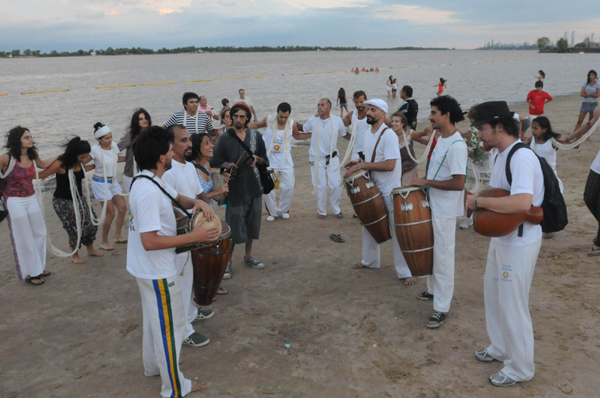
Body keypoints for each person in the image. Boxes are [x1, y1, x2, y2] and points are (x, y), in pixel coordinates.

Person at [127, 125, 219, 397]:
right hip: (156, 270)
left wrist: (198, 203)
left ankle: (153, 366)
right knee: (171, 327)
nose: (173, 153)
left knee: (154, 321)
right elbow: (150, 241)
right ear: (160, 157)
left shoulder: (148, 178)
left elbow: (176, 197)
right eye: (169, 149)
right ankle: (175, 388)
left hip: (145, 267)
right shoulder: (148, 192)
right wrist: (195, 236)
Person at [466, 101, 544, 387]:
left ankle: (521, 368)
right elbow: (501, 193)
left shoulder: (521, 157)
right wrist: (478, 199)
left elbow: (522, 202)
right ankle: (500, 348)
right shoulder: (500, 154)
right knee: (494, 295)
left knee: (513, 305)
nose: (479, 135)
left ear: (499, 127)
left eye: (482, 129)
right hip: (503, 238)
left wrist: (479, 201)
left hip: (520, 241)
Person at [345, 100, 415, 286]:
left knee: (398, 229)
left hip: (390, 189)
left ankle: (406, 271)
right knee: (368, 223)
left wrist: (364, 165)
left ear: (383, 114)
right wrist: (358, 163)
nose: (368, 112)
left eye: (373, 110)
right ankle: (371, 261)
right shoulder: (367, 133)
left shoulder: (389, 136)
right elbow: (370, 159)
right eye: (368, 109)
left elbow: (390, 164)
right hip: (373, 186)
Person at [412, 96, 468, 329]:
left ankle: (442, 307)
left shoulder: (457, 145)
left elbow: (458, 184)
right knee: (431, 249)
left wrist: (426, 182)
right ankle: (433, 290)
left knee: (443, 257)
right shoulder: (440, 138)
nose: (430, 116)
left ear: (446, 115)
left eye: (434, 112)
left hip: (445, 209)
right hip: (433, 202)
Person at [162, 125, 217, 348]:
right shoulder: (168, 170)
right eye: (183, 141)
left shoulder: (188, 167)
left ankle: (191, 312)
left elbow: (198, 195)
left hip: (194, 230)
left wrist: (208, 205)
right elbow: (169, 206)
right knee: (181, 281)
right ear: (171, 145)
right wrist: (190, 224)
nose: (189, 144)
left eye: (189, 140)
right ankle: (184, 331)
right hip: (181, 233)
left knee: (189, 277)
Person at [210, 103, 270, 273]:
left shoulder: (255, 136)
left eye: (242, 117)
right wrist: (225, 164)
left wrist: (258, 159)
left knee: (253, 224)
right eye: (235, 116)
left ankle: (248, 256)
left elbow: (266, 160)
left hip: (255, 186)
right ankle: (227, 263)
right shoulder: (224, 138)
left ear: (247, 118)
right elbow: (213, 161)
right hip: (234, 189)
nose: (238, 119)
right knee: (233, 227)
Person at [1, 126, 56, 285]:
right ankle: (31, 273)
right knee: (23, 237)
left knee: (39, 232)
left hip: (31, 197)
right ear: (17, 139)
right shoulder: (7, 158)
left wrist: (60, 157)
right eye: (27, 137)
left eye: (31, 137)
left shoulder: (33, 155)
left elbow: (43, 165)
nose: (31, 139)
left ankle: (38, 266)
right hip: (14, 200)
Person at [39, 137, 102, 264]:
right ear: (75, 154)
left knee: (91, 224)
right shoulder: (61, 163)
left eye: (86, 157)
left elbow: (83, 170)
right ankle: (75, 255)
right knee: (73, 227)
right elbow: (42, 175)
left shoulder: (79, 162)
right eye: (82, 157)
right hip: (62, 201)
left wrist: (99, 165)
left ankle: (90, 250)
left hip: (78, 198)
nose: (85, 160)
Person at [188, 133, 231, 287]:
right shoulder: (191, 169)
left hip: (210, 212)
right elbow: (193, 199)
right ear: (197, 148)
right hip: (199, 216)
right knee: (202, 254)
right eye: (207, 143)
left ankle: (212, 284)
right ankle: (203, 287)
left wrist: (221, 180)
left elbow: (213, 187)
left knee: (212, 250)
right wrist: (217, 192)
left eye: (211, 142)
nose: (212, 145)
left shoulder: (207, 165)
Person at [248, 102, 300, 221]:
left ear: (289, 115)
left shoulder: (292, 124)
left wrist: (314, 134)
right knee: (269, 189)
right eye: (281, 116)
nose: (283, 119)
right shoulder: (269, 120)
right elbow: (256, 125)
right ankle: (272, 212)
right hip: (269, 160)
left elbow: (298, 135)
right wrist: (240, 127)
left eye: (285, 117)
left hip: (285, 161)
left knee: (289, 186)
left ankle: (283, 209)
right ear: (277, 113)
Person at [300, 98, 350, 219]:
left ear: (329, 108)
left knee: (337, 185)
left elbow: (344, 134)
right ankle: (322, 211)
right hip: (317, 158)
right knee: (321, 186)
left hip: (333, 158)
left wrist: (358, 140)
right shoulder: (313, 120)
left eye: (322, 105)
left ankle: (336, 208)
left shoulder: (337, 120)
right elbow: (304, 129)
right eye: (318, 105)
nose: (319, 107)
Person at [561, 106, 600, 255]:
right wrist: (570, 138)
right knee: (589, 198)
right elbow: (589, 125)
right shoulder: (599, 110)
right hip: (598, 164)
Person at [89, 122, 128, 250]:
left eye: (111, 137)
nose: (110, 140)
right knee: (110, 213)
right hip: (100, 183)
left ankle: (117, 236)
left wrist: (132, 157)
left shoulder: (114, 146)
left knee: (122, 208)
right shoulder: (94, 150)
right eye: (106, 138)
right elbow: (84, 162)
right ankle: (104, 241)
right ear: (98, 139)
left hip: (112, 181)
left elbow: (117, 159)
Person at [118, 108, 151, 193]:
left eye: (145, 118)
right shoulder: (131, 136)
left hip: (148, 174)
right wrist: (124, 158)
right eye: (141, 119)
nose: (144, 120)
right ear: (136, 121)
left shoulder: (151, 134)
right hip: (131, 175)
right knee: (134, 203)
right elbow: (115, 149)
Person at [390, 112, 419, 186]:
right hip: (396, 169)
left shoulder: (409, 134)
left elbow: (425, 141)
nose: (393, 123)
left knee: (405, 187)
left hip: (410, 167)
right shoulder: (388, 135)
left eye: (396, 121)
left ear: (402, 123)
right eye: (392, 121)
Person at [342, 90, 369, 162]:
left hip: (371, 151)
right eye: (356, 102)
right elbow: (339, 126)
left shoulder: (373, 113)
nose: (359, 104)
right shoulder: (351, 115)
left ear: (366, 101)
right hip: (356, 151)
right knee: (355, 172)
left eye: (361, 102)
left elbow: (388, 126)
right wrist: (350, 137)